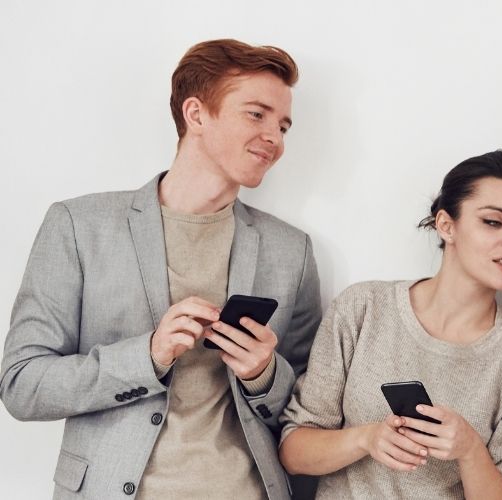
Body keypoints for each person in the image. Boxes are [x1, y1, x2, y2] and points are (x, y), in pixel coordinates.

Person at [0, 39, 318, 500]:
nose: (276, 137)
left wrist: (265, 374)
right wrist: (146, 356)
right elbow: (22, 384)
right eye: (257, 114)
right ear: (196, 114)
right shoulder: (78, 226)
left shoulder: (292, 251)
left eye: (284, 125)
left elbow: (309, 409)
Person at [278, 150, 502, 499]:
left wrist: (469, 450)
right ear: (446, 225)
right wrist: (365, 438)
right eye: (494, 222)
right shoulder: (363, 308)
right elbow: (293, 452)